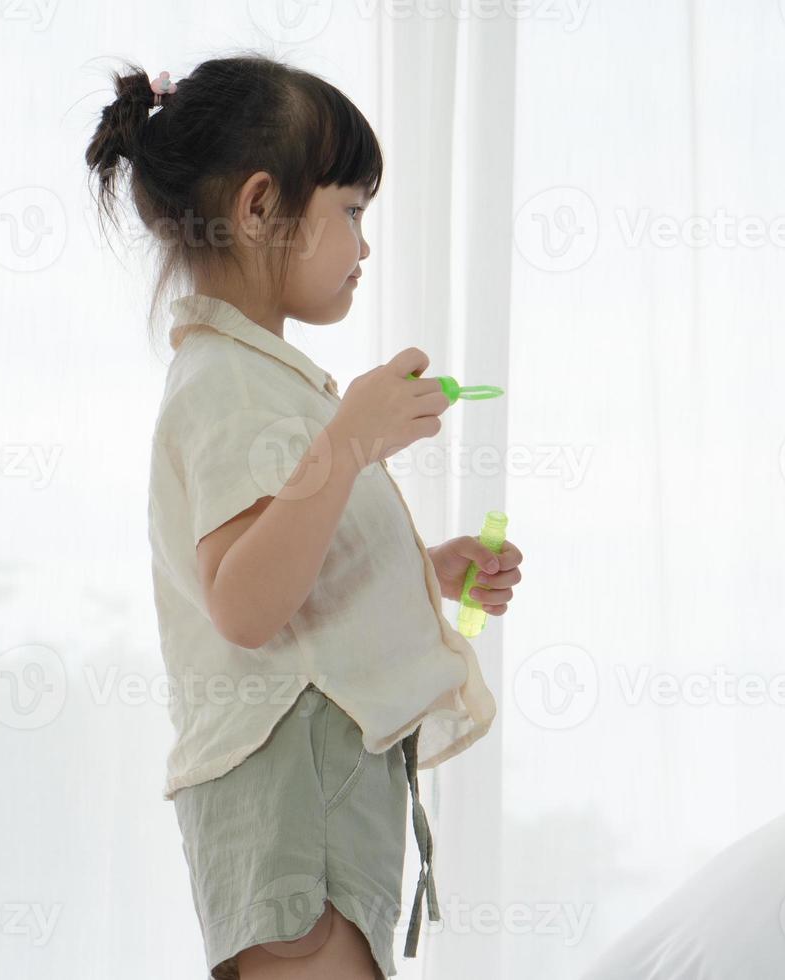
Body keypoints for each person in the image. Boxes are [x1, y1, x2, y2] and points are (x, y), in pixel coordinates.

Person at [84, 54, 525, 979]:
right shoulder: (227, 387)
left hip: (313, 781)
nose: (365, 246)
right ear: (256, 208)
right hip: (294, 783)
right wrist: (348, 444)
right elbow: (244, 606)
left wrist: (426, 569)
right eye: (352, 211)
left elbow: (293, 569)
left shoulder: (258, 382)